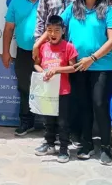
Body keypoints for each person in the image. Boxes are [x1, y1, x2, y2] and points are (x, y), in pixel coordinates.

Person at [35, 0, 112, 166]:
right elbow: (55, 26)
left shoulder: (109, 10)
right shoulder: (73, 8)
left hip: (101, 66)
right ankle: (87, 144)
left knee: (99, 104)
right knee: (83, 107)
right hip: (77, 67)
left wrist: (92, 58)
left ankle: (106, 147)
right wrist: (38, 43)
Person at [33, 0, 82, 145]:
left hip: (74, 48)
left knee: (74, 94)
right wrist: (38, 43)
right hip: (51, 50)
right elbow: (41, 18)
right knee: (51, 97)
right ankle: (50, 138)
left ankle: (73, 135)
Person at [2, 0, 43, 136]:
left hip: (47, 53)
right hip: (24, 52)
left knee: (49, 87)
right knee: (24, 87)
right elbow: (9, 28)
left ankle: (52, 126)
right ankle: (26, 122)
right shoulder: (16, 1)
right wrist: (5, 52)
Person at [33, 15, 78, 163]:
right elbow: (37, 64)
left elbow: (73, 67)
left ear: (63, 31)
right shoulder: (43, 47)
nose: (53, 34)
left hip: (63, 92)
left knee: (63, 122)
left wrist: (57, 70)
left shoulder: (68, 47)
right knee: (48, 120)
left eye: (57, 30)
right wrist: (42, 72)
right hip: (47, 91)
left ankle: (64, 148)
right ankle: (49, 143)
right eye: (49, 30)